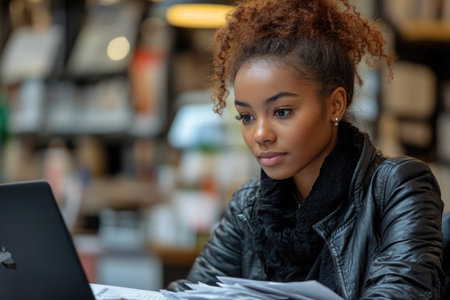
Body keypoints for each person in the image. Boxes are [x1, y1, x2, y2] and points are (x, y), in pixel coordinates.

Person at [167, 0, 445, 298]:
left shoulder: (398, 187)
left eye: (282, 112)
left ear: (335, 104)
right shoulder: (249, 205)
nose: (260, 134)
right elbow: (190, 293)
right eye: (247, 117)